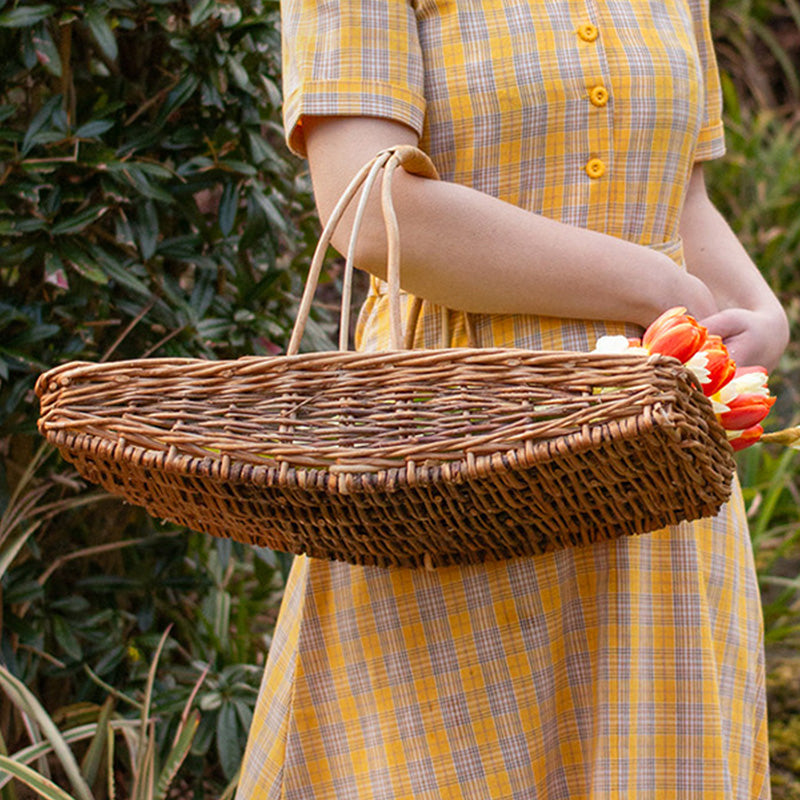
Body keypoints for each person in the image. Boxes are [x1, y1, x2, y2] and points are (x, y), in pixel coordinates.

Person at [235, 0, 789, 797]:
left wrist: (759, 310)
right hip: (456, 454)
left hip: (662, 475)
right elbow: (370, 209)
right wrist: (656, 287)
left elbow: (679, 197)